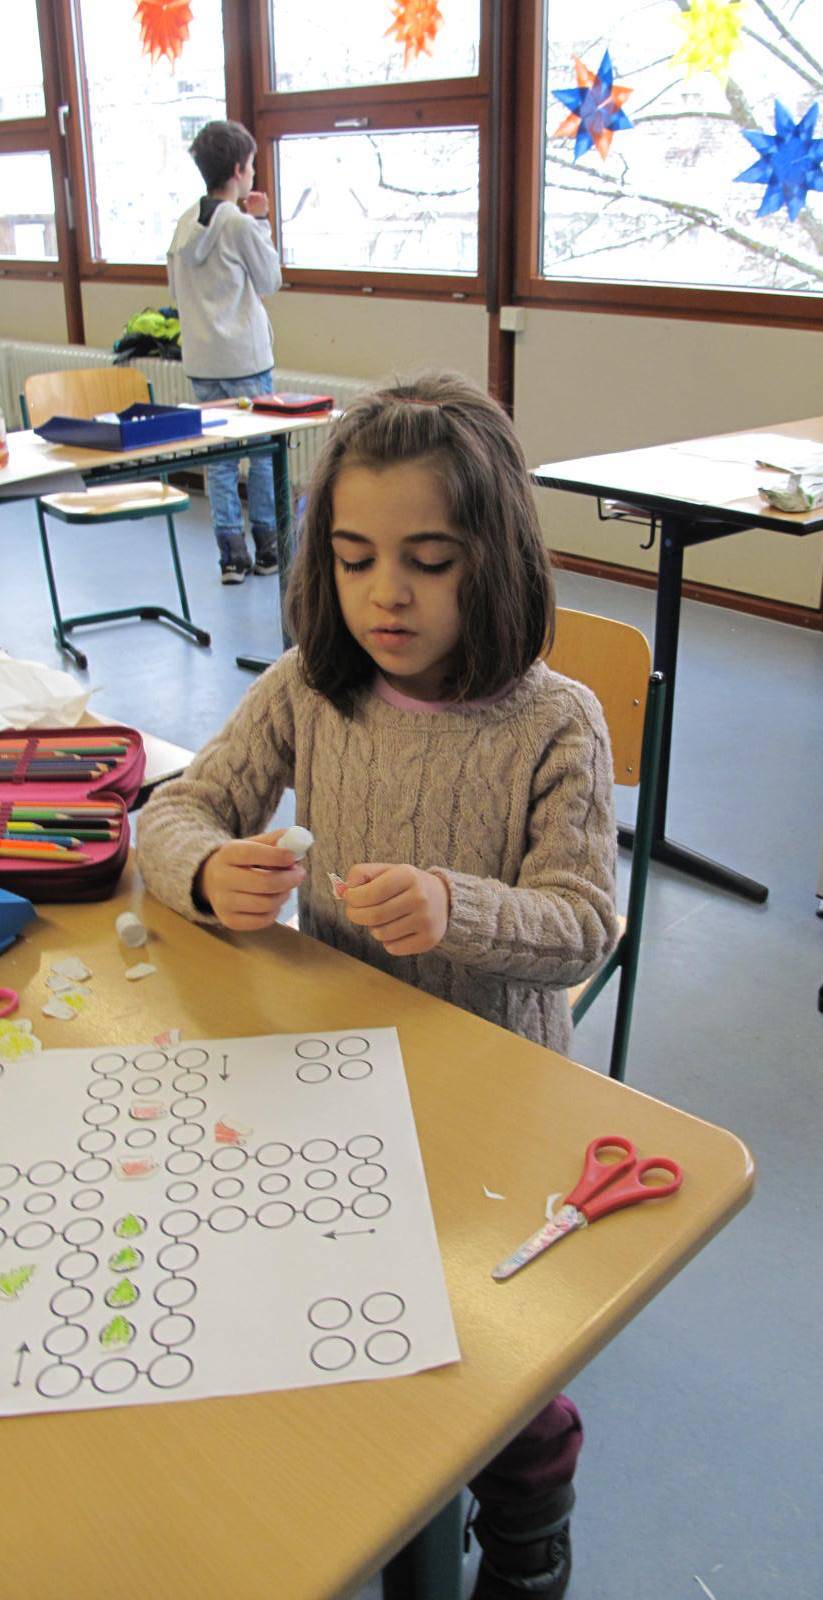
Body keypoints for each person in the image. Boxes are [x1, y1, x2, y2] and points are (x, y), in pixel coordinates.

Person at [136, 372, 619, 1599]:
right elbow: (175, 811)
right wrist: (211, 873)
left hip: (492, 1096)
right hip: (333, 1074)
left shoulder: (555, 722)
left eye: (428, 560)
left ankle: (528, 1521)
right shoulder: (313, 683)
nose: (384, 594)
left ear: (494, 560)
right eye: (353, 559)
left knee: (494, 1363)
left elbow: (581, 923)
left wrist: (462, 907)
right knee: (333, 1311)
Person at [168, 119, 283, 584]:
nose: (253, 173)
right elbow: (270, 279)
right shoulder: (238, 224)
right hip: (245, 361)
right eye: (252, 165)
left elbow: (175, 291)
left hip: (202, 360)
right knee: (262, 455)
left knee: (217, 459)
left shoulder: (183, 225)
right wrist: (262, 221)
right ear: (238, 169)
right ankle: (268, 547)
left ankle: (231, 556)